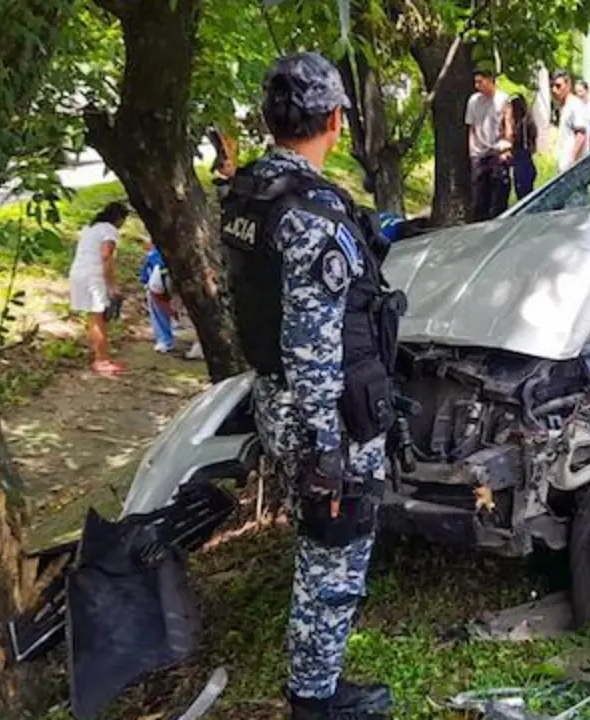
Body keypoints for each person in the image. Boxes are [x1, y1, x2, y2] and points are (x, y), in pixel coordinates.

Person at [220, 51, 406, 720]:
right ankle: (316, 700)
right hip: (325, 416)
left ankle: (314, 684)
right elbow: (313, 345)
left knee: (318, 548)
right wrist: (330, 452)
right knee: (336, 553)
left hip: (276, 401)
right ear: (333, 120)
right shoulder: (313, 216)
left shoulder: (248, 194)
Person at [68, 201, 130, 376]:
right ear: (119, 218)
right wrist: (112, 286)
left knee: (93, 317)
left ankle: (100, 356)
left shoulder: (90, 228)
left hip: (78, 272)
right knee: (98, 317)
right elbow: (106, 256)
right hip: (93, 276)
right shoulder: (109, 230)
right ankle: (101, 360)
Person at [465, 66, 513, 221]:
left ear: (491, 81)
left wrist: (506, 147)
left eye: (481, 82)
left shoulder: (502, 99)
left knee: (498, 198)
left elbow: (508, 125)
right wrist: (472, 151)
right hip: (480, 153)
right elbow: (471, 127)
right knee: (479, 199)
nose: (477, 86)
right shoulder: (473, 101)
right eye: (475, 82)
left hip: (498, 151)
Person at [138, 240, 176, 354]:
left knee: (158, 311)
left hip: (158, 285)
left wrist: (145, 282)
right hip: (167, 283)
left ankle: (164, 340)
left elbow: (144, 275)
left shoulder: (153, 255)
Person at [552, 70, 590, 172]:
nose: (554, 90)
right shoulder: (564, 107)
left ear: (568, 84)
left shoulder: (575, 105)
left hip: (573, 169)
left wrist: (572, 161)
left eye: (558, 86)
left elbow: (581, 134)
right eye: (552, 86)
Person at [509, 95, 538, 199]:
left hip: (523, 162)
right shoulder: (522, 122)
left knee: (524, 192)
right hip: (523, 162)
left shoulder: (524, 124)